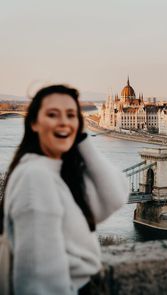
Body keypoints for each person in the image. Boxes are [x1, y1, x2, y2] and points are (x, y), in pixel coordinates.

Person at [1, 84, 129, 294]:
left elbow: (115, 197)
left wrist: (81, 140)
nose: (63, 121)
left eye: (71, 115)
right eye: (53, 114)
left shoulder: (57, 172)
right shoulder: (35, 178)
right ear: (34, 122)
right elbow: (38, 282)